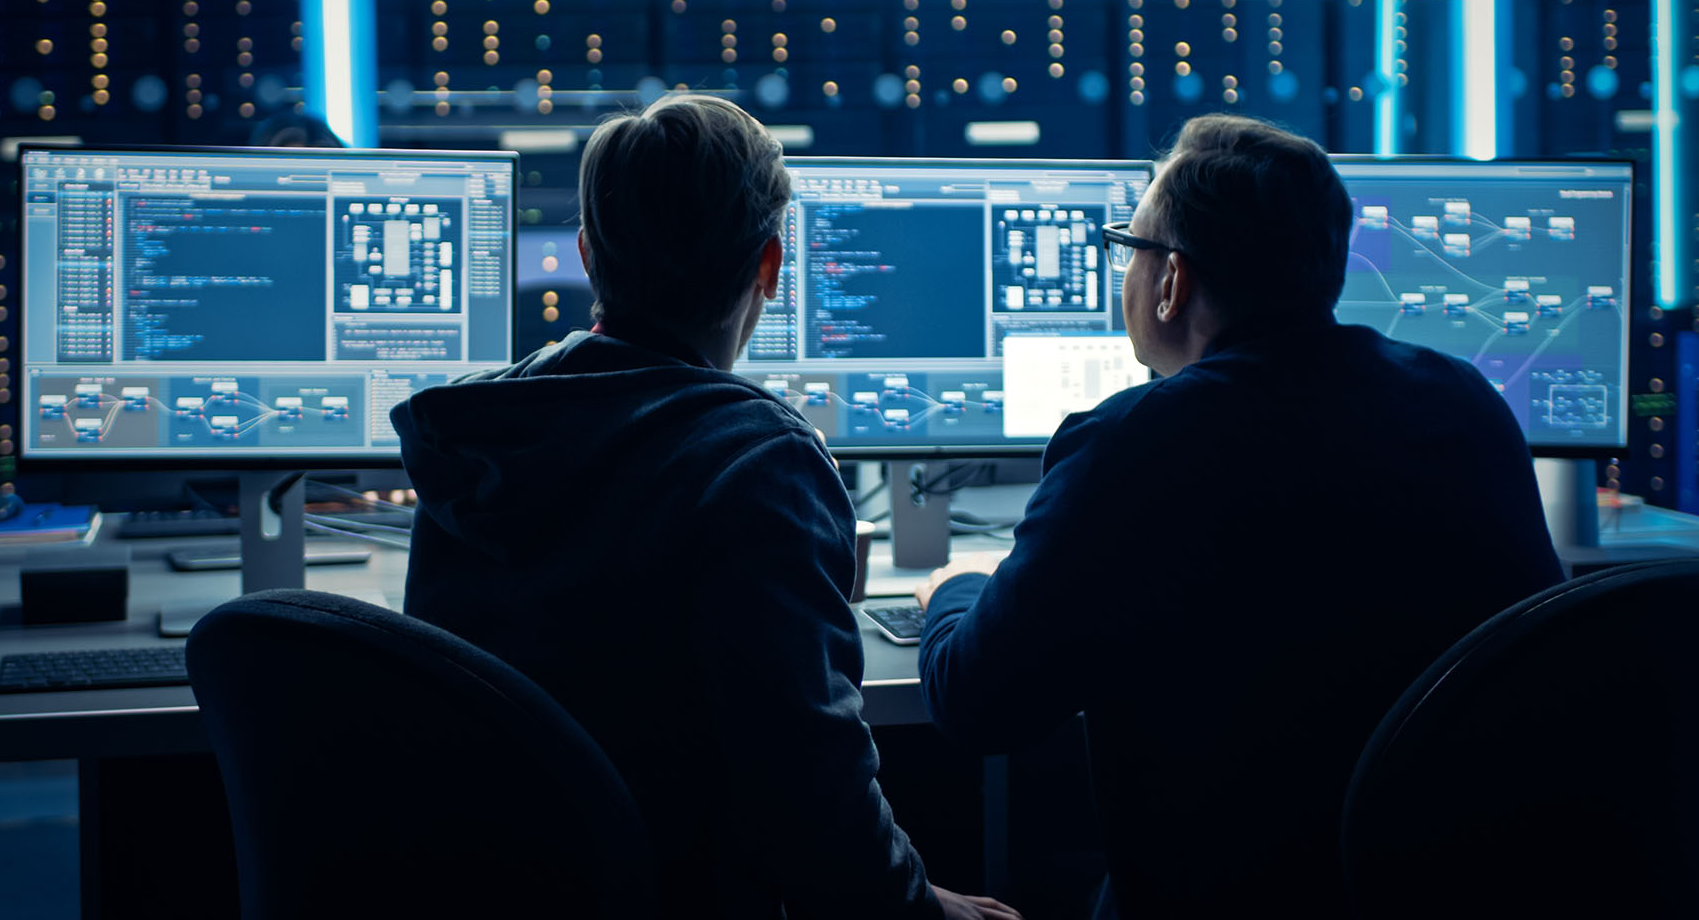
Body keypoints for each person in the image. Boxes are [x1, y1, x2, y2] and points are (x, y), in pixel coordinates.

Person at [915, 114, 1564, 918]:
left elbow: (977, 703)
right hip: (1446, 885)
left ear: (1171, 280)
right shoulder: (1463, 401)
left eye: (1131, 245)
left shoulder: (1130, 445)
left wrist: (951, 588)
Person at [391, 94, 1019, 920]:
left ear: (586, 255)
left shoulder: (470, 436)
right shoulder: (760, 462)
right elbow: (814, 801)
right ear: (769, 265)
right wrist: (930, 909)